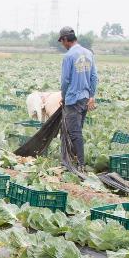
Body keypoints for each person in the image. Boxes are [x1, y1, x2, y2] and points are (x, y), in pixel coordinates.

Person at [57, 26, 97, 170]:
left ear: (66, 39)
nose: (63, 45)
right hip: (85, 99)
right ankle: (73, 159)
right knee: (77, 129)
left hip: (73, 99)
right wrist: (91, 96)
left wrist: (63, 96)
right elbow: (94, 77)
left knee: (74, 132)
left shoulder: (69, 56)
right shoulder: (88, 53)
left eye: (62, 41)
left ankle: (80, 164)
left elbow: (65, 81)